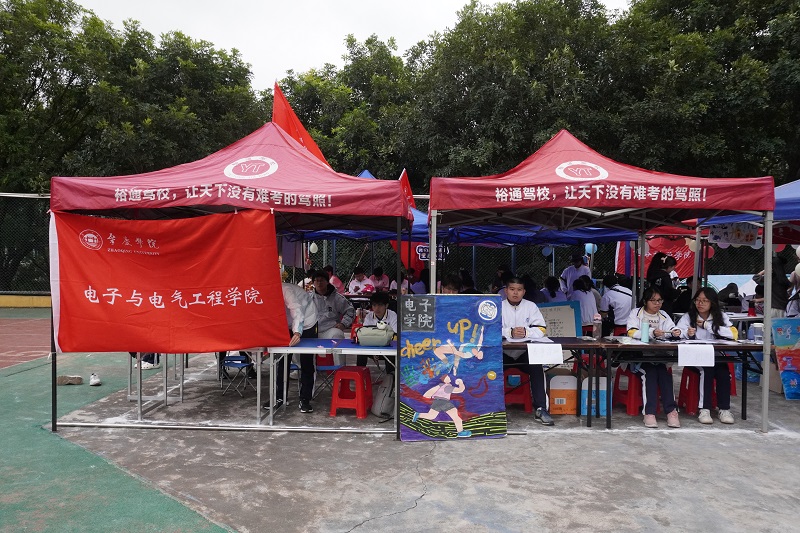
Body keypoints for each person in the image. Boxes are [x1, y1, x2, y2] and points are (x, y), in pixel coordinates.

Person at [675, 287, 735, 425]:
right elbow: (677, 332)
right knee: (707, 369)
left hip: (714, 356)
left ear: (712, 302)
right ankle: (704, 408)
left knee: (723, 371)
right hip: (694, 356)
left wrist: (707, 325)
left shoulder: (721, 316)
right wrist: (686, 333)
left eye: (704, 301)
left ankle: (724, 409)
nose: (700, 303)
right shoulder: (688, 317)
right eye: (697, 300)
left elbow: (733, 334)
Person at [626, 286, 682, 429]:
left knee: (664, 375)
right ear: (645, 301)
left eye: (659, 300)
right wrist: (652, 332)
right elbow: (631, 332)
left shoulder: (663, 315)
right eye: (653, 300)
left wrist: (675, 331)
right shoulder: (636, 313)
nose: (657, 304)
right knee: (649, 374)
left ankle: (671, 411)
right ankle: (649, 412)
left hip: (659, 357)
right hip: (639, 358)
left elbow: (671, 328)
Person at [501, 277, 553, 425]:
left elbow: (541, 329)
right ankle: (493, 409)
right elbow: (489, 329)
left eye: (519, 290)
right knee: (490, 368)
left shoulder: (531, 307)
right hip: (503, 353)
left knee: (537, 367)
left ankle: (541, 409)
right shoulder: (498, 306)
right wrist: (509, 332)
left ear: (524, 292)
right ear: (506, 291)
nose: (515, 293)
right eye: (512, 289)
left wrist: (526, 332)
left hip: (524, 353)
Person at [265, 282, 319, 413]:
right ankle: (280, 397)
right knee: (282, 360)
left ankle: (305, 399)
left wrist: (297, 332)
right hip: (286, 324)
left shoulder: (285, 289)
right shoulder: (262, 292)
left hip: (308, 321)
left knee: (307, 361)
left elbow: (297, 310)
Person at [357, 291, 398, 368]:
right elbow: (365, 333)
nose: (376, 308)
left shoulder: (393, 315)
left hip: (387, 347)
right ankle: (360, 371)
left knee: (391, 351)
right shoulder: (369, 316)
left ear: (386, 305)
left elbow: (394, 334)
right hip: (371, 348)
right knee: (361, 351)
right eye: (374, 305)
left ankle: (390, 374)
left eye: (380, 305)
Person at [312, 270, 355, 340]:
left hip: (331, 330)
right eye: (317, 280)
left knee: (337, 335)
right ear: (313, 283)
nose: (319, 283)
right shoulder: (308, 298)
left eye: (322, 280)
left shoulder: (337, 298)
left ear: (327, 281)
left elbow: (350, 310)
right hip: (312, 331)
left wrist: (343, 324)